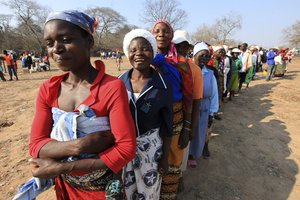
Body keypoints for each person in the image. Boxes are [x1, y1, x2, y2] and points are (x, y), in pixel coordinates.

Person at [26, 10, 136, 200]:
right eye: (50, 43)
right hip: (67, 188)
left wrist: (61, 166)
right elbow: (36, 145)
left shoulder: (110, 87)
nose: (57, 49)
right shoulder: (49, 89)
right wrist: (79, 146)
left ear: (89, 42)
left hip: (103, 189)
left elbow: (126, 149)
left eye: (66, 39)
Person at [119, 28, 173, 200]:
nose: (139, 54)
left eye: (145, 48)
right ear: (127, 53)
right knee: (126, 191)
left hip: (151, 150)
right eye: (133, 50)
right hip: (124, 148)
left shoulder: (162, 84)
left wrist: (165, 157)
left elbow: (167, 124)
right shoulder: (118, 83)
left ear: (153, 51)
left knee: (148, 192)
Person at [151, 19, 189, 200]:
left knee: (172, 155)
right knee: (152, 155)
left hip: (175, 115)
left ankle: (168, 194)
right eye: (157, 31)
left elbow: (189, 95)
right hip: (151, 116)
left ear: (172, 35)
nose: (161, 34)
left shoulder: (181, 62)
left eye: (166, 31)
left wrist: (188, 128)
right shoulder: (143, 56)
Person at [172, 30, 203, 192]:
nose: (180, 48)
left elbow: (197, 101)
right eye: (177, 45)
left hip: (184, 119)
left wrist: (190, 127)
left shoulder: (194, 70)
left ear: (189, 47)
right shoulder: (166, 65)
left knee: (180, 154)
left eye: (184, 45)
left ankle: (179, 178)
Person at [189, 42, 218, 164]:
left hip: (204, 107)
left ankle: (193, 155)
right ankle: (186, 154)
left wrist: (212, 113)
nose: (204, 59)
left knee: (200, 132)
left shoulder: (210, 74)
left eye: (207, 56)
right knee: (188, 130)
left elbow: (214, 95)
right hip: (189, 107)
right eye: (201, 55)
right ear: (194, 55)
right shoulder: (187, 70)